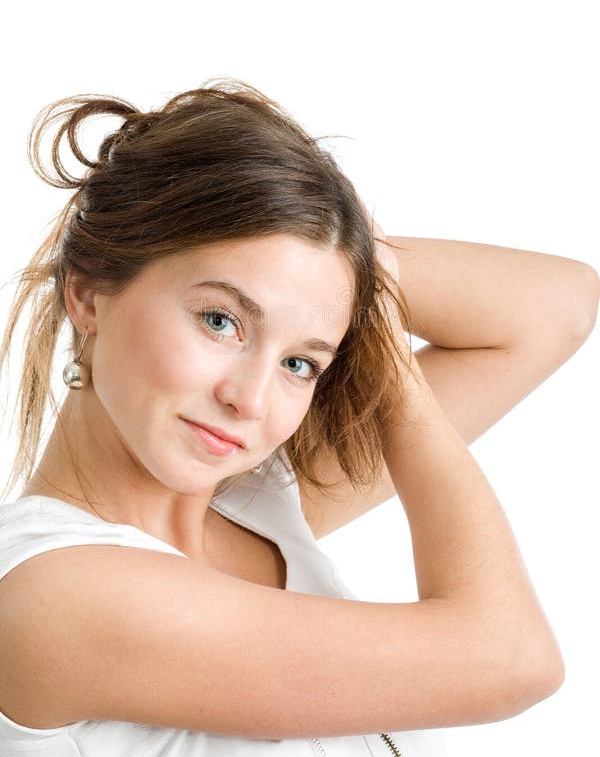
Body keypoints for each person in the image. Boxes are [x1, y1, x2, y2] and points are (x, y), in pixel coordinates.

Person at [0, 79, 597, 757]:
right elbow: (514, 658)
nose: (251, 401)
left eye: (301, 364)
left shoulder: (257, 505)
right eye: (220, 320)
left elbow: (560, 307)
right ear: (88, 294)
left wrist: (348, 266)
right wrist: (378, 349)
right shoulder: (57, 594)